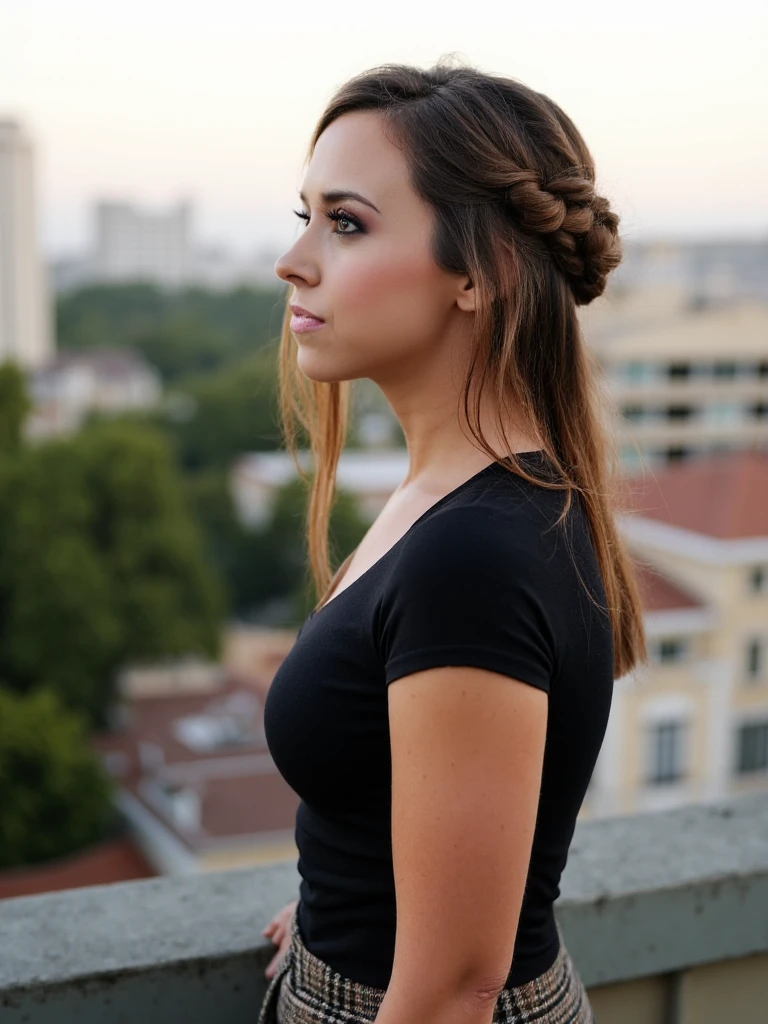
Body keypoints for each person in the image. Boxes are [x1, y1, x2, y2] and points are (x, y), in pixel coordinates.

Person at [258, 56, 647, 1024]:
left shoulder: (472, 554)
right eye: (302, 216)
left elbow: (450, 989)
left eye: (345, 223)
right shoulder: (454, 500)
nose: (294, 260)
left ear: (481, 273)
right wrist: (335, 910)